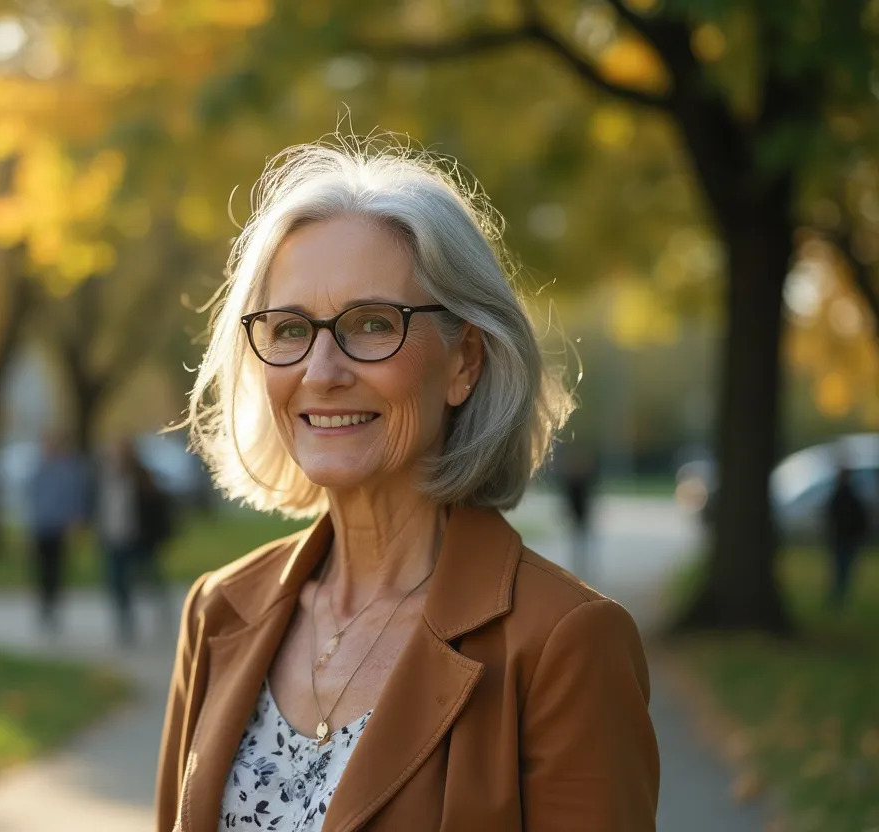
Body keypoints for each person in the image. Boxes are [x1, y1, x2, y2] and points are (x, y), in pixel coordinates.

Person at [156, 139, 659, 831]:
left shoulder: (565, 644)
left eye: (371, 324)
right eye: (291, 328)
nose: (322, 370)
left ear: (465, 363)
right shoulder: (219, 612)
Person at [97, 437, 175, 646]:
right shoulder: (104, 479)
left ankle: (162, 610)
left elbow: (158, 511)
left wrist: (156, 537)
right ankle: (125, 622)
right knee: (117, 583)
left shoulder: (143, 479)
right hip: (113, 539)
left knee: (148, 577)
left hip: (138, 540)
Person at [26, 429, 91, 637]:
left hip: (59, 527)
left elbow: (75, 497)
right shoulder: (40, 469)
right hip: (41, 526)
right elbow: (33, 498)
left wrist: (75, 521)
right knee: (41, 569)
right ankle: (45, 603)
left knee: (56, 568)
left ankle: (53, 603)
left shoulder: (69, 470)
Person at [826, 462, 867, 609]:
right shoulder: (849, 496)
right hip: (845, 538)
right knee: (842, 570)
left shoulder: (839, 495)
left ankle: (838, 598)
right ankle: (839, 598)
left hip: (843, 538)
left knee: (841, 570)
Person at [558, 444, 598, 582]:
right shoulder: (574, 481)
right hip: (577, 514)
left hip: (582, 514)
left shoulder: (580, 480)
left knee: (582, 543)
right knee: (577, 543)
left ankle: (582, 566)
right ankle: (579, 566)